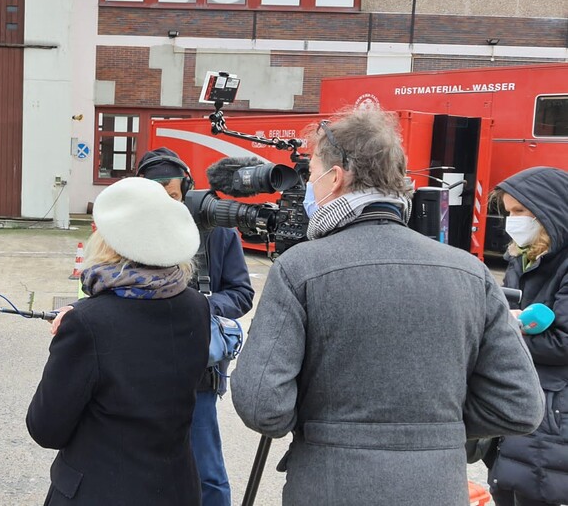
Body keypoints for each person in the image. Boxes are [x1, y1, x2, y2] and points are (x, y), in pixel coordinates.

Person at [230, 109, 544, 505]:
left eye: (312, 174)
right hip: (438, 488)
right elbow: (519, 406)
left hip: (329, 486)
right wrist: (436, 429)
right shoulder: (472, 272)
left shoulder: (300, 268)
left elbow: (262, 407)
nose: (309, 185)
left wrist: (324, 426)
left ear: (336, 177)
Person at [27, 177, 211, 506]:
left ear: (108, 243)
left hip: (100, 491)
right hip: (176, 488)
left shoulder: (87, 324)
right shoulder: (196, 306)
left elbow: (46, 428)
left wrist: (78, 328)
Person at [136, 147, 254, 506]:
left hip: (198, 373)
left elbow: (241, 293)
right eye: (156, 197)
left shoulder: (217, 232)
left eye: (173, 196)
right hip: (137, 369)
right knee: (140, 468)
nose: (167, 205)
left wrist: (198, 307)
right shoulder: (128, 232)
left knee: (207, 474)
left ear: (186, 190)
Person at [487, 166, 568, 506]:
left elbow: (563, 341)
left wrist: (505, 334)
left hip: (554, 413)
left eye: (520, 211)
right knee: (511, 486)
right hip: (524, 401)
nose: (513, 220)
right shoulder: (522, 257)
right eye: (508, 212)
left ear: (549, 210)